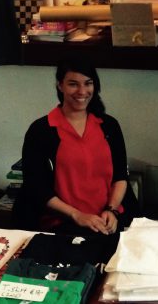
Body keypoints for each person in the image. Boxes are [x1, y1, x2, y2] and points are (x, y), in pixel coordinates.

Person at [14, 61, 133, 237]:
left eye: (88, 83)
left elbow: (120, 176)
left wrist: (112, 210)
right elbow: (37, 188)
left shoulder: (109, 125)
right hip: (64, 222)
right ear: (60, 86)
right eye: (73, 84)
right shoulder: (41, 131)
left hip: (109, 219)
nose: (82, 91)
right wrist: (77, 215)